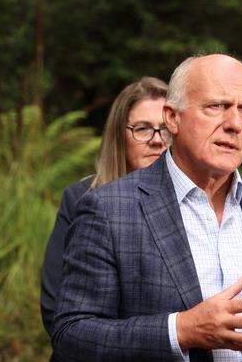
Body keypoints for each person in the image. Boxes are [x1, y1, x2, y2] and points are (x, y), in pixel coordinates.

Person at [52, 54, 242, 361]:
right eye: (217, 106)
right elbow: (73, 336)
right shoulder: (110, 210)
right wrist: (182, 330)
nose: (234, 124)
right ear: (172, 118)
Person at [41, 77, 170, 336]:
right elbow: (55, 306)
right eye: (142, 128)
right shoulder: (81, 199)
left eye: (166, 129)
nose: (157, 140)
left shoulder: (193, 204)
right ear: (118, 135)